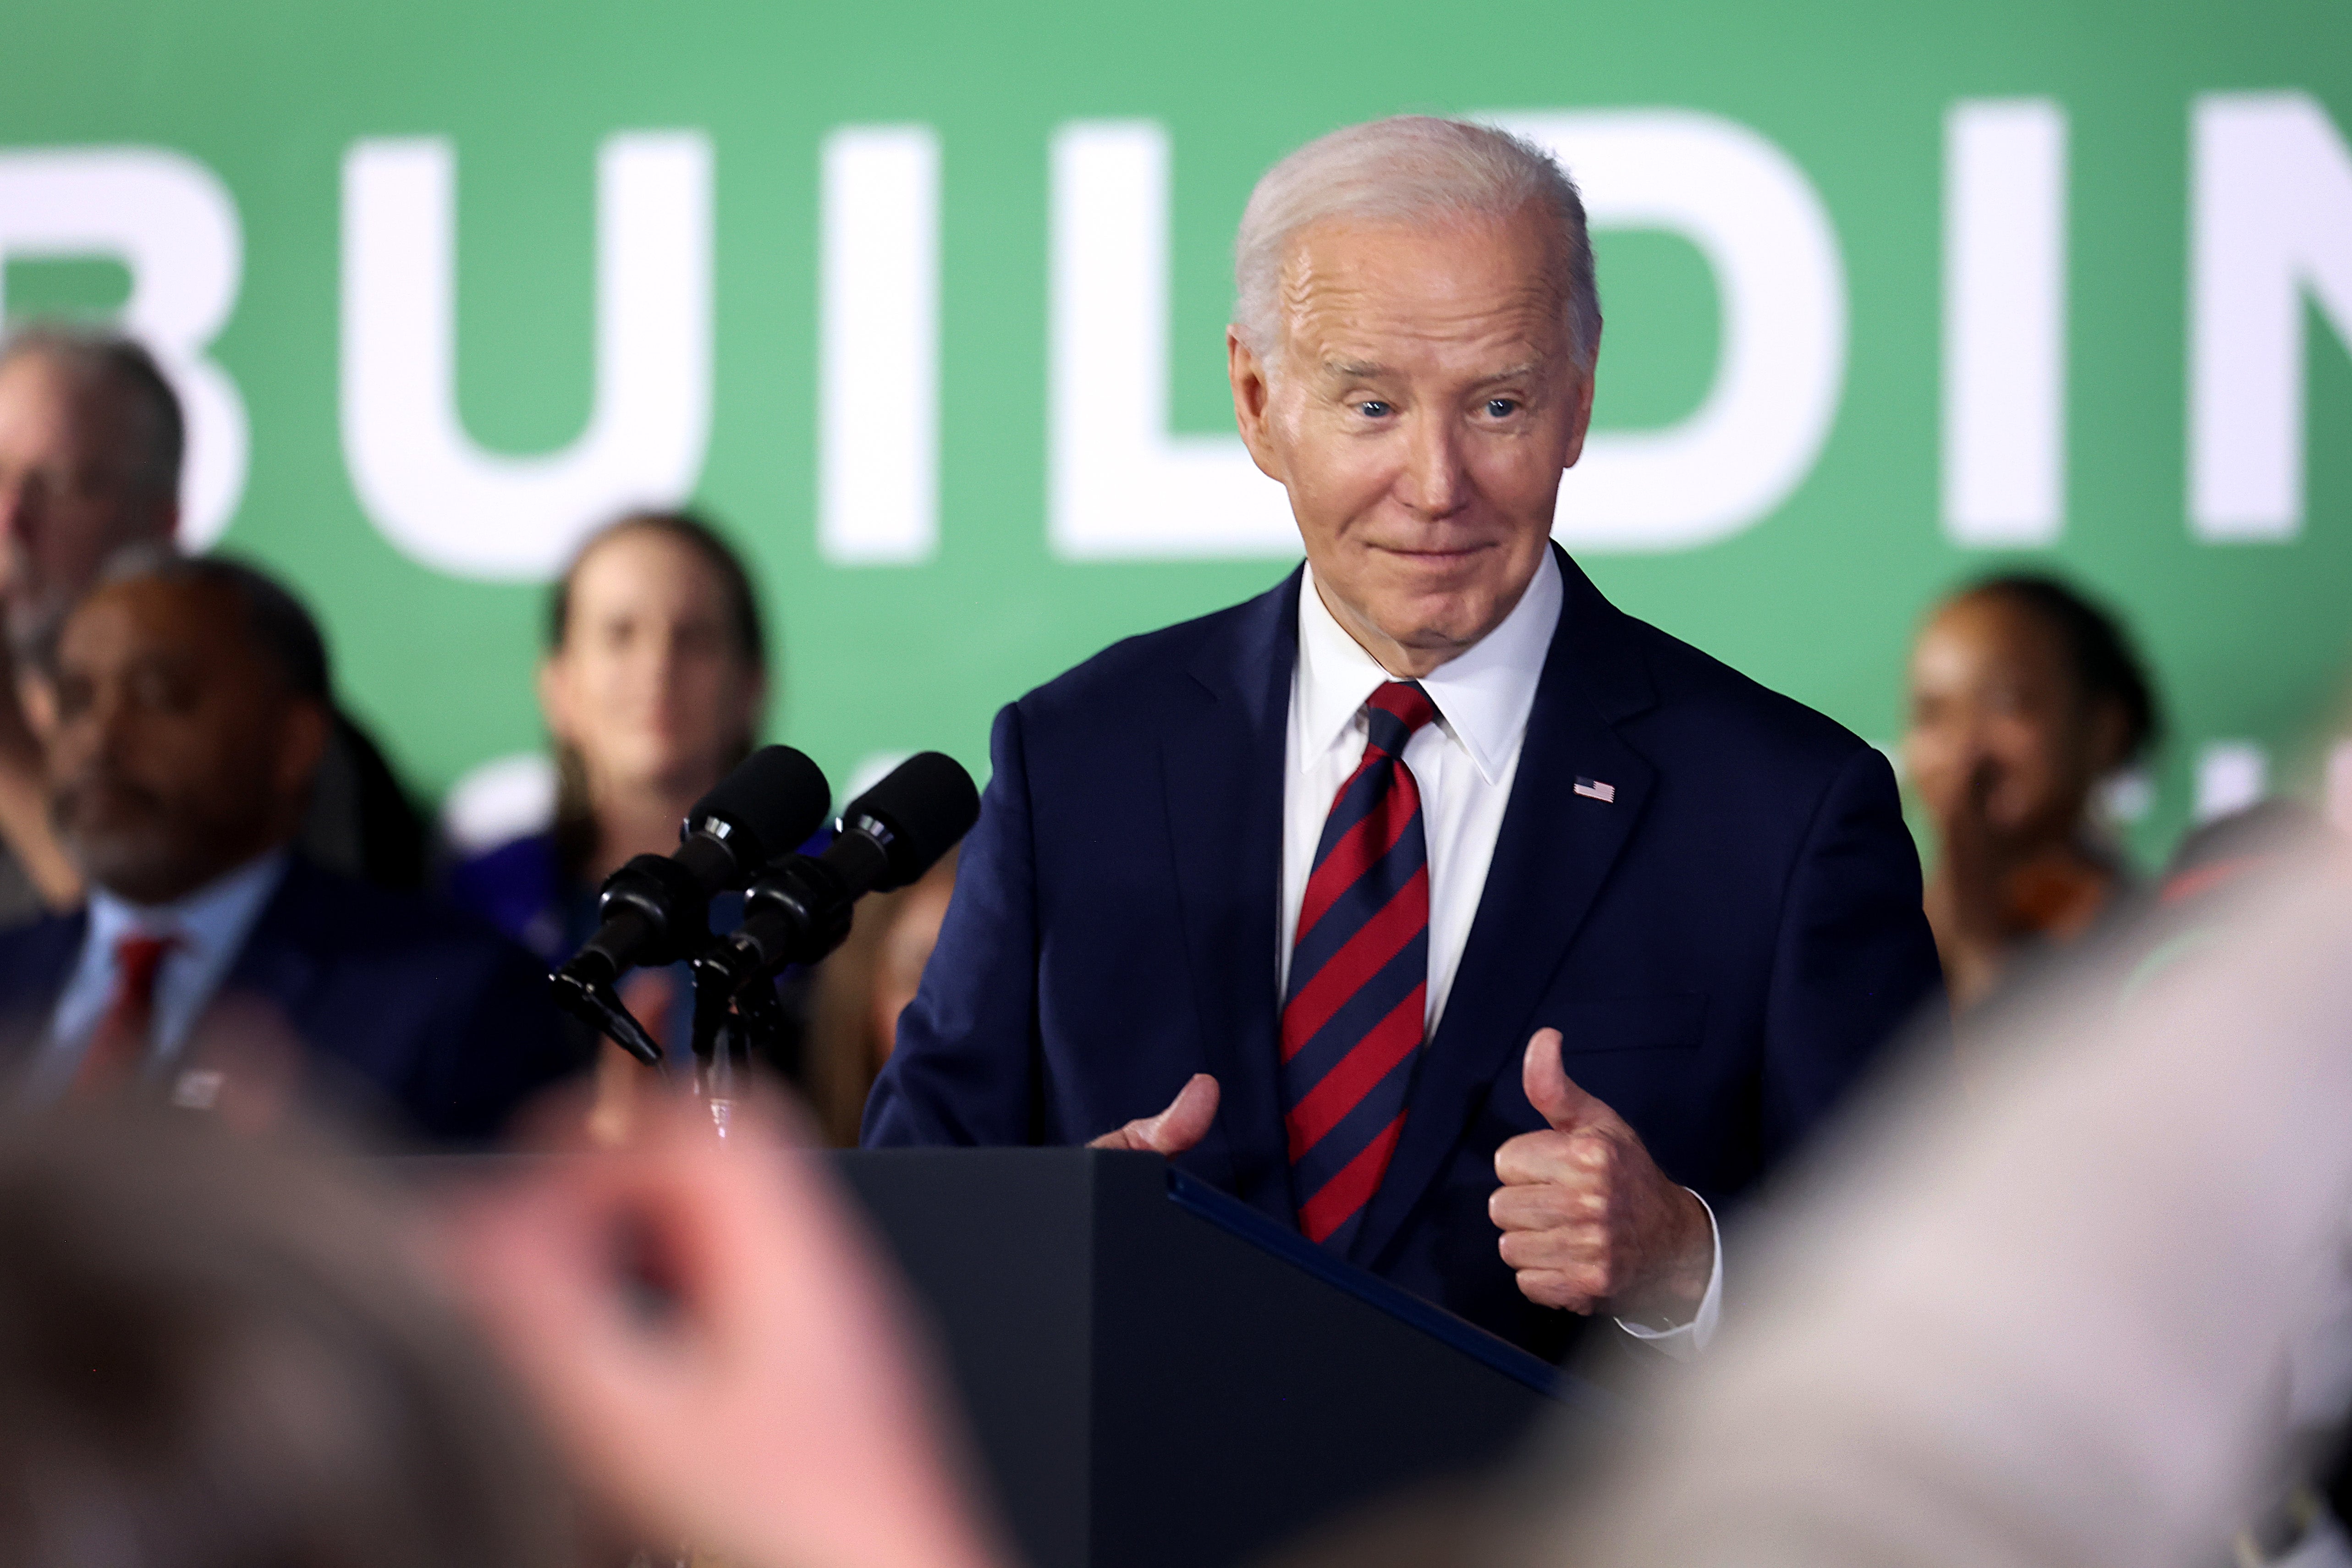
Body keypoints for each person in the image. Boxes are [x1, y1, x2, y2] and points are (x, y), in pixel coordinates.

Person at [863, 116, 1945, 1363]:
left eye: (1497, 403)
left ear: (1581, 399)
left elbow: (1944, 1305)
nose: (1436, 484)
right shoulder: (1076, 760)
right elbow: (913, 1227)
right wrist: (1051, 1234)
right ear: (1258, 402)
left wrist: (1680, 1260)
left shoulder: (1783, 813)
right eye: (1370, 403)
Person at [0, 550, 577, 1142]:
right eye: (74, 700)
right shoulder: (11, 972)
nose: (100, 736)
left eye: (158, 693)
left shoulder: (453, 998)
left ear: (295, 742)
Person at [0, 325, 426, 924]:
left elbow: (165, 976)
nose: (11, 519)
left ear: (161, 519)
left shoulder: (262, 731)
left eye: (64, 484)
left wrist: (12, 757)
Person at [446, 511, 798, 1126]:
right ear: (559, 686)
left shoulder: (833, 895)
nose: (657, 665)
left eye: (694, 636)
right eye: (619, 634)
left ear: (751, 685)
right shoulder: (471, 903)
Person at [1902, 572, 2160, 1013]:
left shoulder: (2148, 944)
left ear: (2104, 730)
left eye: (2006, 703)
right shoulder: (1870, 929)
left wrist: (1974, 933)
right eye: (1933, 714)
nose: (1965, 751)